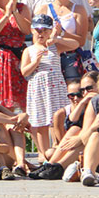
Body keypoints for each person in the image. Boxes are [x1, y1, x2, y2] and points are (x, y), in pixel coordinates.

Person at [21, 14, 79, 164]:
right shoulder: (29, 50)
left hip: (55, 87)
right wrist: (36, 62)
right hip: (38, 88)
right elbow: (24, 71)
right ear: (32, 30)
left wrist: (57, 38)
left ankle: (58, 148)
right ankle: (42, 152)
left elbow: (75, 44)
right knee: (40, 122)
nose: (41, 34)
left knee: (57, 119)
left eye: (45, 30)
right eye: (38, 30)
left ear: (50, 31)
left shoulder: (54, 46)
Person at [35, 0, 88, 81]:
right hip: (50, 58)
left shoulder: (78, 10)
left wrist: (62, 34)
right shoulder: (43, 9)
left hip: (72, 59)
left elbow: (81, 41)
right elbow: (36, 38)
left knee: (73, 92)